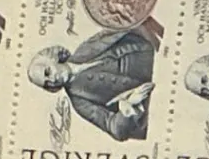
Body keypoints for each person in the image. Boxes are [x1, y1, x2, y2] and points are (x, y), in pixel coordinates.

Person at [27, 27, 155, 140]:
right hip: (153, 97)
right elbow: (115, 129)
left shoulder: (84, 48)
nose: (53, 80)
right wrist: (128, 105)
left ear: (53, 58)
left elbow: (122, 29)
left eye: (48, 72)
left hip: (152, 53)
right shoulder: (79, 102)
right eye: (47, 84)